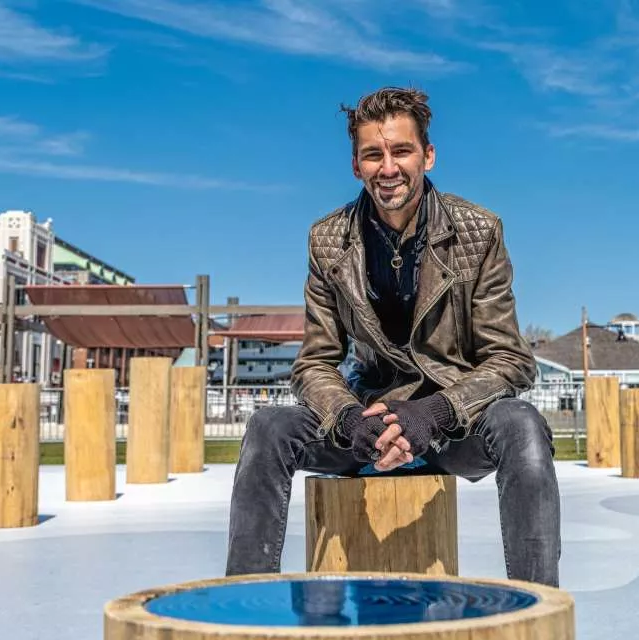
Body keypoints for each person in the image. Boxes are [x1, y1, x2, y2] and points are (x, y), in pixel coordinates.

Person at [225, 86, 561, 586]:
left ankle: (539, 607)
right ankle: (238, 609)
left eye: (401, 150)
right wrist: (345, 419)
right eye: (372, 154)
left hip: (451, 426)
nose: (388, 168)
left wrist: (435, 412)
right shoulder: (327, 238)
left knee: (524, 426)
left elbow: (510, 360)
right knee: (268, 428)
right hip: (364, 422)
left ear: (427, 155)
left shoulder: (479, 231)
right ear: (356, 165)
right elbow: (315, 362)